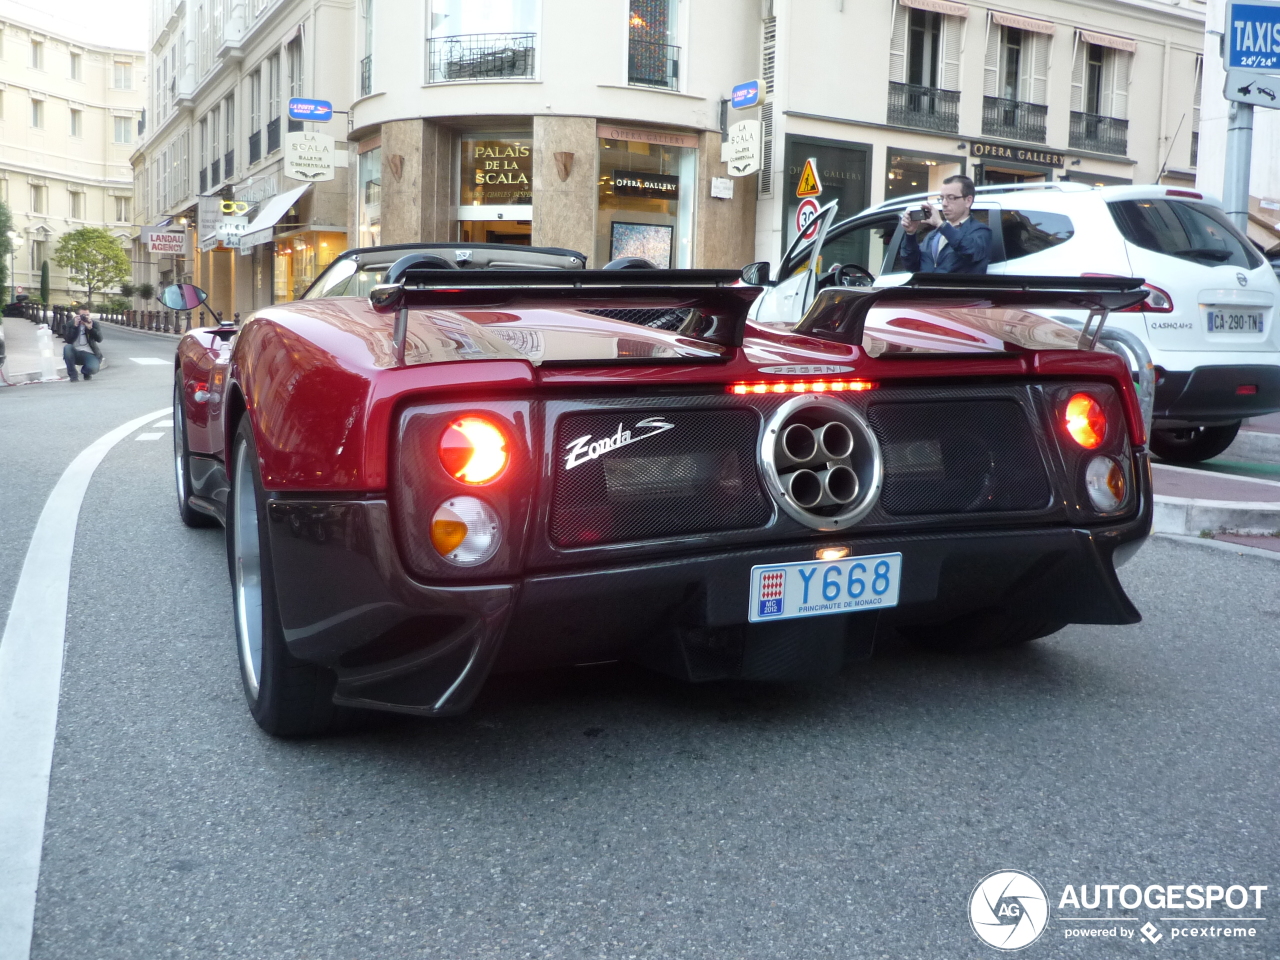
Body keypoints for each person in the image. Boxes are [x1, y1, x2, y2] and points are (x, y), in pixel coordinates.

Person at [899, 175, 991, 275]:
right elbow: (911, 265)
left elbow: (969, 251)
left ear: (968, 201)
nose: (944, 203)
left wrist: (941, 224)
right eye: (942, 198)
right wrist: (910, 234)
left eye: (951, 198)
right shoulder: (933, 236)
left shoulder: (980, 231)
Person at [62, 307, 103, 381]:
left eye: (88, 315)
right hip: (75, 352)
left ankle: (86, 372)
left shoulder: (94, 324)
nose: (86, 317)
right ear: (77, 316)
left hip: (89, 352)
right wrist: (75, 326)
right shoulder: (70, 324)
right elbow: (68, 340)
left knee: (93, 368)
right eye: (83, 315)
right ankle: (73, 376)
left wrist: (90, 329)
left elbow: (99, 339)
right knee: (67, 347)